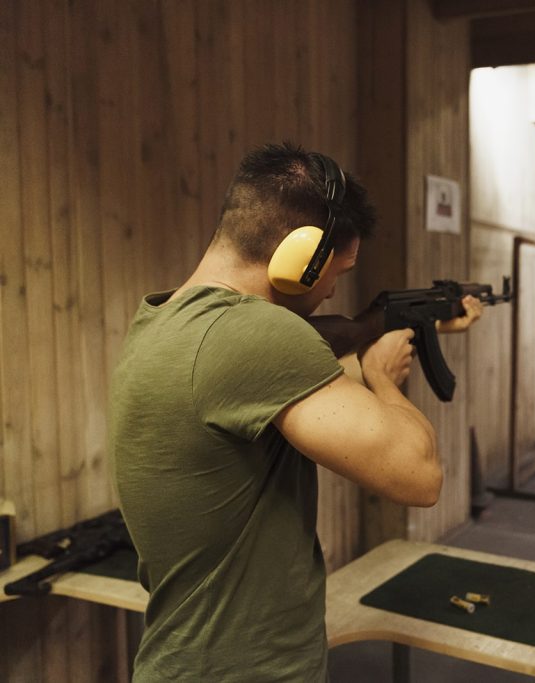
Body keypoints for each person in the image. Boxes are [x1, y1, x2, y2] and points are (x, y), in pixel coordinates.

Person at [108, 142, 482, 681]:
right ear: (299, 256)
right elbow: (420, 477)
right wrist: (380, 374)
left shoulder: (163, 321)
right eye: (336, 270)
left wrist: (415, 329)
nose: (332, 291)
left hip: (188, 659)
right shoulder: (255, 334)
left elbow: (307, 383)